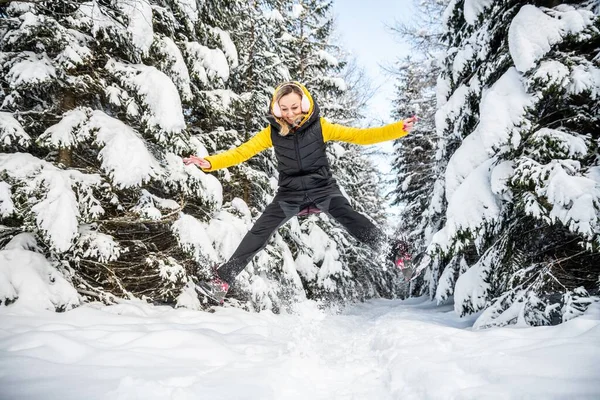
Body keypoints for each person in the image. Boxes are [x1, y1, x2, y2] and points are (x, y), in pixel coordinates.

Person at [184, 81, 416, 303]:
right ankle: (221, 281)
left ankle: (397, 254)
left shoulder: (320, 127)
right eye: (284, 108)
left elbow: (360, 136)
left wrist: (398, 129)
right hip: (290, 195)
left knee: (350, 218)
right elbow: (242, 152)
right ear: (276, 108)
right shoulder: (272, 133)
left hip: (323, 189)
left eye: (294, 107)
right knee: (259, 231)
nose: (289, 113)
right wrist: (209, 162)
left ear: (304, 105)